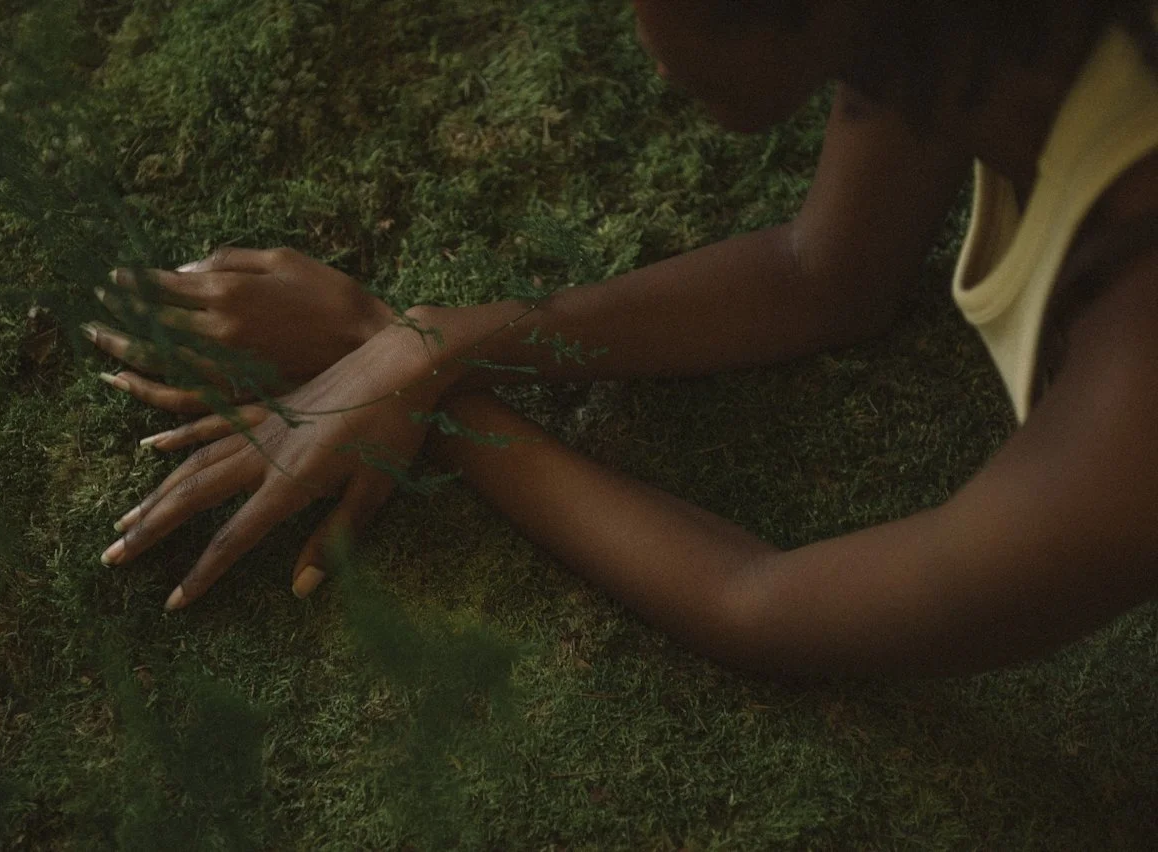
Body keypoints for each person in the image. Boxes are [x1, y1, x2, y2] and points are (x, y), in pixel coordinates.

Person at [84, 0, 1158, 677]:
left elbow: (765, 607)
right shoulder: (960, 33)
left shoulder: (1132, 394)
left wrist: (427, 389)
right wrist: (427, 347)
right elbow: (826, 275)